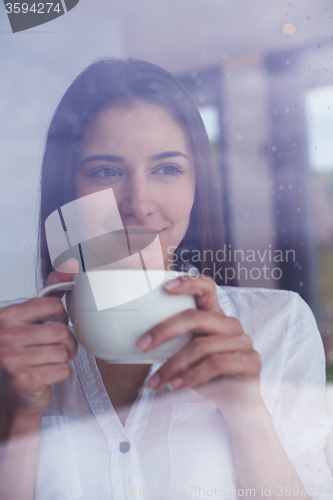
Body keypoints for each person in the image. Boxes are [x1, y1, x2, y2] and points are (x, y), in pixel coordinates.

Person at [0, 58, 332, 500]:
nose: (138, 203)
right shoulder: (13, 347)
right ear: (67, 191)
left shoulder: (278, 324)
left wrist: (246, 412)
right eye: (106, 171)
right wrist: (18, 418)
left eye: (167, 169)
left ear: (198, 185)